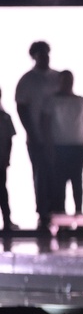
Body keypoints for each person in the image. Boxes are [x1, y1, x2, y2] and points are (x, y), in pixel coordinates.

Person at [15, 41, 60, 229]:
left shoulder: (57, 77)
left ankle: (57, 210)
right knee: (41, 174)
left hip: (58, 138)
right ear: (34, 57)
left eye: (46, 53)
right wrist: (32, 132)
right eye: (41, 54)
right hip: (37, 138)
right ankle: (43, 213)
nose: (45, 57)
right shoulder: (27, 80)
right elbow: (21, 108)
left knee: (57, 174)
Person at [41, 70, 83, 214]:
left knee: (77, 182)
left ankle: (79, 213)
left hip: (77, 146)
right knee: (59, 184)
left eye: (69, 80)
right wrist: (48, 146)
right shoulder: (52, 101)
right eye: (65, 80)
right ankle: (61, 216)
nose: (67, 83)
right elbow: (45, 125)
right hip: (59, 147)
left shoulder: (81, 101)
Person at [0, 88, 16, 230]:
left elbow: (10, 141)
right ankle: (7, 221)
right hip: (2, 159)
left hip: (1, 160)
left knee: (2, 191)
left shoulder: (5, 117)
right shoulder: (5, 117)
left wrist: (7, 158)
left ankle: (7, 220)